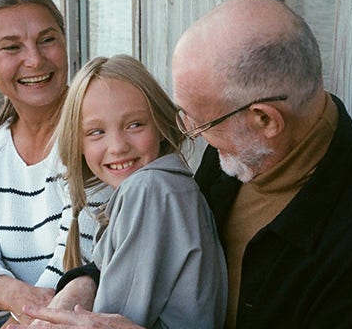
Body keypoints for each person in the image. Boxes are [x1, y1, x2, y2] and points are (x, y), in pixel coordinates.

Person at [17, 0, 352, 328]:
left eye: (199, 122)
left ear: (265, 120)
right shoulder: (239, 157)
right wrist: (82, 286)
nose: (189, 133)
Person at [0, 0, 105, 329]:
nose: (35, 59)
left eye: (47, 40)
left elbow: (78, 251)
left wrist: (30, 317)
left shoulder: (96, 131)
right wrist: (16, 297)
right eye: (11, 47)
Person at [46, 54, 227, 328]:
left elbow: (111, 320)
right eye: (96, 132)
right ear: (78, 142)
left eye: (135, 125)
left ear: (161, 125)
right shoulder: (169, 186)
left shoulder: (149, 191)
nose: (118, 146)